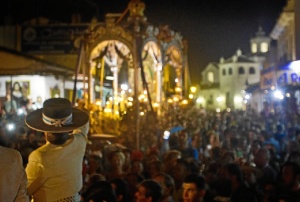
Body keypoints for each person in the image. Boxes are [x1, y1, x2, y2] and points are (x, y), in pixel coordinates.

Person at [25, 98, 89, 201]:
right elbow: (84, 127)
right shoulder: (79, 143)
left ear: (45, 131)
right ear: (68, 129)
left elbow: (25, 190)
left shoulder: (39, 156)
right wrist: (74, 112)